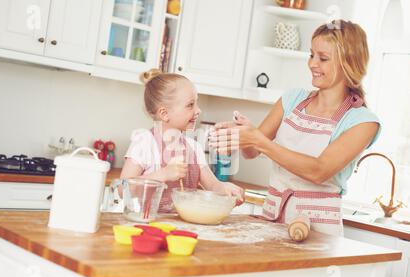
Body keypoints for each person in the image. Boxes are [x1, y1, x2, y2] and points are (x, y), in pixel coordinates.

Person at [210, 20, 380, 236]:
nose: (312, 64)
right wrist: (244, 133)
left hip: (319, 230)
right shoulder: (293, 99)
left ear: (349, 62)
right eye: (311, 55)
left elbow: (318, 171)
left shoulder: (362, 122)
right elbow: (252, 152)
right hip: (272, 216)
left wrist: (258, 140)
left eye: (323, 58)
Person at [121, 69, 244, 213]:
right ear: (164, 114)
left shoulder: (194, 147)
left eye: (196, 103)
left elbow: (212, 185)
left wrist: (224, 188)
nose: (198, 110)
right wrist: (162, 175)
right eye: (190, 105)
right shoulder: (144, 143)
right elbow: (123, 190)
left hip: (181, 230)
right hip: (146, 228)